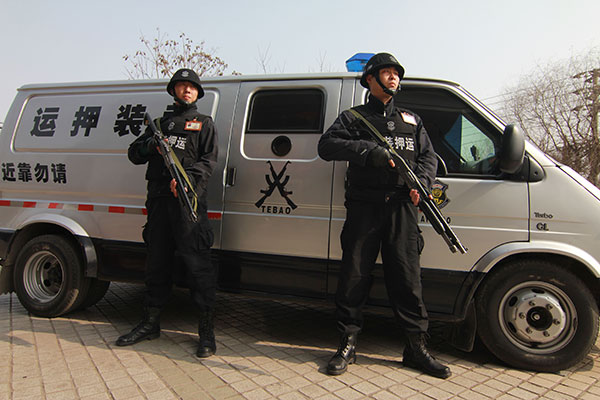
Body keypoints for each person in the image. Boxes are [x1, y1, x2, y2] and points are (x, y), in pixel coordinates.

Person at [317, 53, 451, 379]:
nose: (393, 77)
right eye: (386, 72)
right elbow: (327, 145)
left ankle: (416, 348)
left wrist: (422, 183)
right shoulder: (354, 118)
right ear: (370, 80)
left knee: (407, 279)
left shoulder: (412, 121)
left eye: (396, 73)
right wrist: (369, 152)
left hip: (402, 209)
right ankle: (347, 344)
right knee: (354, 277)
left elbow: (429, 157)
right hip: (364, 207)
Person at [116, 68, 219, 358]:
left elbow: (209, 161)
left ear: (198, 93)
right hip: (159, 202)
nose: (187, 90)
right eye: (182, 85)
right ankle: (150, 323)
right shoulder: (160, 125)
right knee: (157, 263)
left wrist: (187, 181)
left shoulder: (204, 123)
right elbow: (134, 153)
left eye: (192, 87)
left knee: (198, 266)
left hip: (188, 204)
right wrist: (151, 145)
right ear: (173, 90)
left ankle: (206, 332)